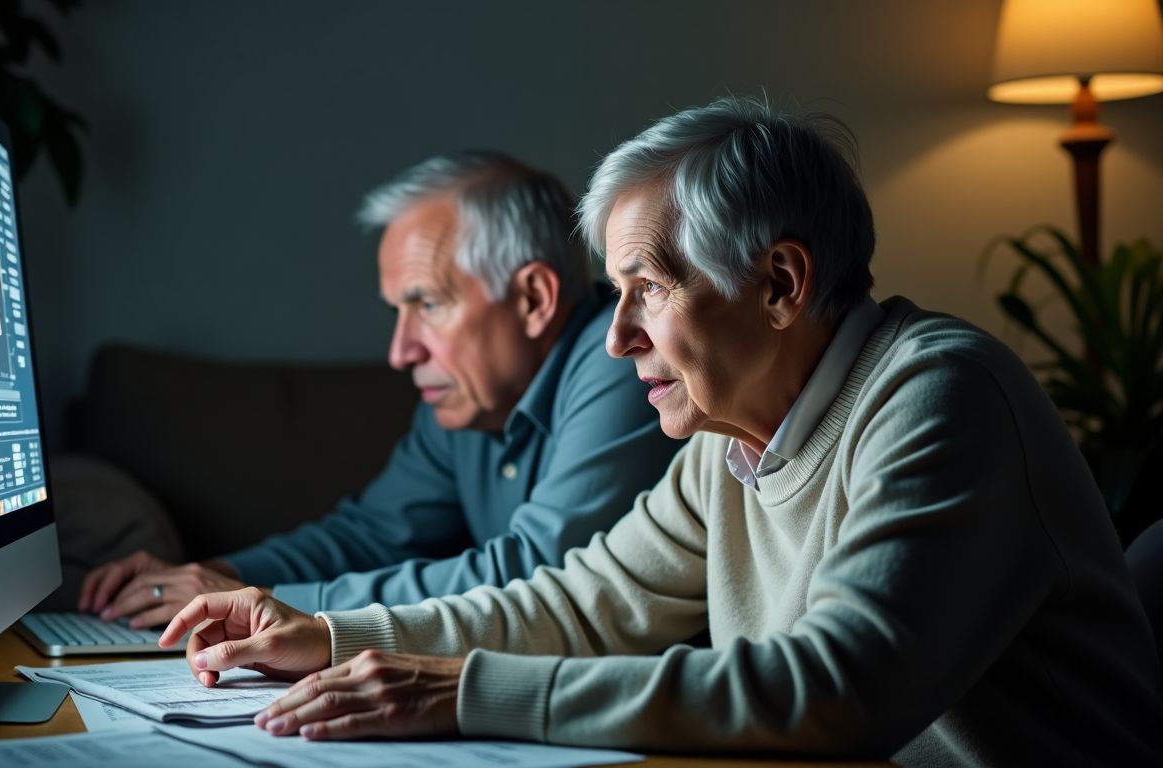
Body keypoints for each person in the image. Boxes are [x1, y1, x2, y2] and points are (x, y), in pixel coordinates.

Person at [158, 98, 1163, 765]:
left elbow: (841, 691)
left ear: (779, 285)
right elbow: (583, 605)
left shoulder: (941, 397)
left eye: (646, 288)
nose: (616, 337)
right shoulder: (734, 440)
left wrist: (460, 692)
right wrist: (329, 637)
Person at [79, 151, 681, 627]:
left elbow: (538, 572)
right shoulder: (469, 400)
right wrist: (212, 572)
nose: (401, 352)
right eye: (398, 311)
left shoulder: (622, 357)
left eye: (427, 303)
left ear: (533, 299)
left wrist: (259, 599)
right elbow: (368, 534)